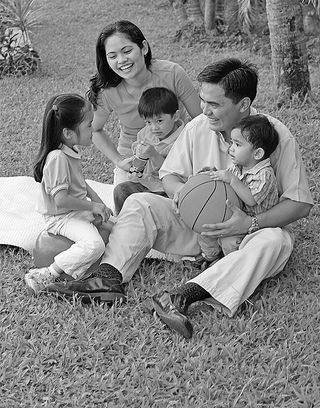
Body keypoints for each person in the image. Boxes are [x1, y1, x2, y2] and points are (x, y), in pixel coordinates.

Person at [47, 58, 313, 340]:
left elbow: (299, 203)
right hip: (196, 229)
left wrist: (249, 222)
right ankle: (106, 279)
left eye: (215, 104)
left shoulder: (276, 135)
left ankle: (182, 296)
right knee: (140, 203)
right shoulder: (198, 127)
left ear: (244, 104)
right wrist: (183, 193)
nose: (205, 111)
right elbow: (170, 176)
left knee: (276, 241)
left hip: (248, 236)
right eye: (202, 101)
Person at [24, 94, 121, 300]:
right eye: (89, 125)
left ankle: (115, 263)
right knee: (95, 244)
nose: (93, 130)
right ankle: (47, 273)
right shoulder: (57, 158)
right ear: (68, 133)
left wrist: (99, 205)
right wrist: (91, 207)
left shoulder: (70, 150)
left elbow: (82, 184)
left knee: (116, 227)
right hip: (60, 218)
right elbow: (61, 200)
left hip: (73, 211)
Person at [87, 20, 201, 185]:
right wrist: (119, 161)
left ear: (144, 48)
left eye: (127, 51)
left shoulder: (172, 73)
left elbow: (201, 120)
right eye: (112, 56)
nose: (121, 60)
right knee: (125, 201)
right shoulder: (107, 91)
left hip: (178, 151)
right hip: (135, 160)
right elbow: (94, 130)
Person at [199, 114, 280, 262]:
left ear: (257, 153)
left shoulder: (264, 174)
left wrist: (232, 180)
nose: (231, 149)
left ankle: (230, 264)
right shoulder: (237, 168)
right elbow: (226, 184)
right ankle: (210, 257)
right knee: (206, 229)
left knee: (230, 242)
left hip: (255, 227)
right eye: (231, 143)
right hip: (236, 217)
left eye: (237, 144)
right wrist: (212, 173)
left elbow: (250, 199)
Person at [113, 87, 185, 214]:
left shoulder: (183, 139)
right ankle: (121, 222)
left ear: (176, 116)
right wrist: (134, 166)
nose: (154, 127)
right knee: (121, 190)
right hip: (146, 183)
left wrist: (154, 154)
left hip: (167, 189)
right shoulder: (146, 134)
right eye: (148, 122)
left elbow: (173, 172)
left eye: (159, 121)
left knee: (151, 206)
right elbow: (139, 164)